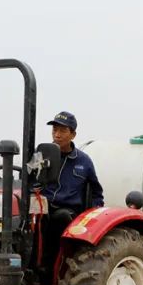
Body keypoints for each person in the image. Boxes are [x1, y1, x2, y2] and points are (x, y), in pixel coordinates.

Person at [40, 111, 104, 270]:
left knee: (60, 217)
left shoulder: (84, 161)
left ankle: (57, 268)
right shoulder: (42, 154)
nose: (57, 134)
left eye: (62, 131)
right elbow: (29, 179)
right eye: (54, 130)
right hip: (43, 205)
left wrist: (92, 217)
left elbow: (96, 193)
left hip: (67, 211)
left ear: (73, 134)